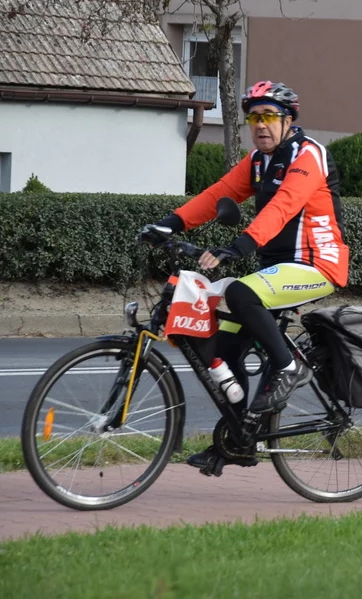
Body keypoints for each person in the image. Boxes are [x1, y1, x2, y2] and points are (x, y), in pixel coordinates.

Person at [141, 80, 348, 469]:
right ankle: (238, 440)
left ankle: (289, 367)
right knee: (223, 348)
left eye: (270, 116)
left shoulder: (309, 155)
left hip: (318, 264)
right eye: (254, 117)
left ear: (289, 120)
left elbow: (284, 206)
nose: (261, 125)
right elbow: (217, 195)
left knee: (239, 293)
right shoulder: (257, 161)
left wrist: (239, 247)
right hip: (276, 269)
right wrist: (169, 225)